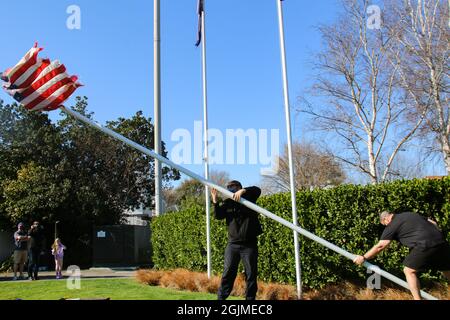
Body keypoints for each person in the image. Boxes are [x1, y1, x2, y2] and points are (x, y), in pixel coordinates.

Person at [353, 211, 450, 300]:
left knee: (408, 271)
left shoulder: (392, 225)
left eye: (385, 224)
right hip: (441, 241)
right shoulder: (410, 214)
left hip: (424, 244)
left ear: (386, 219)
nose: (386, 226)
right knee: (446, 268)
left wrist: (364, 257)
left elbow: (381, 246)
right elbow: (433, 223)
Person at [211, 180, 263, 300]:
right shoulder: (227, 202)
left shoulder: (249, 197)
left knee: (250, 274)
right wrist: (215, 200)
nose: (230, 189)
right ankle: (221, 298)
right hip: (233, 245)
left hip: (249, 245)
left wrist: (243, 191)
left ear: (239, 187)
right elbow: (218, 216)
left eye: (233, 187)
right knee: (228, 272)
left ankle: (250, 299)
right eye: (228, 187)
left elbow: (257, 189)